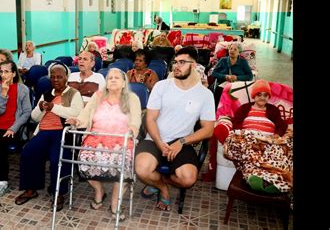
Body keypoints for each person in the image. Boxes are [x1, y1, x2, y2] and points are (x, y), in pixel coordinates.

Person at [134, 46, 215, 211]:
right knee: (141, 170)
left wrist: (182, 142)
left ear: (193, 66)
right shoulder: (162, 86)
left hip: (182, 143)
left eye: (182, 62)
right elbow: (150, 118)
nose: (176, 66)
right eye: (175, 62)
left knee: (188, 179)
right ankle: (163, 188)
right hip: (154, 138)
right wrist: (158, 141)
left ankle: (159, 180)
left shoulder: (205, 94)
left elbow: (208, 130)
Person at [66, 68, 142, 221]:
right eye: (110, 78)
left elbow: (136, 118)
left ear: (123, 83)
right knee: (83, 162)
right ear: (106, 83)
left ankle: (115, 204)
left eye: (117, 78)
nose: (113, 80)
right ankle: (99, 191)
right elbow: (86, 113)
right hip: (96, 138)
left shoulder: (132, 98)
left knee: (124, 165)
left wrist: (134, 127)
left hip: (122, 139)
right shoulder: (98, 96)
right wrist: (78, 121)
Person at [15, 62, 84, 211]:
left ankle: (58, 192)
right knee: (28, 152)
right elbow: (34, 117)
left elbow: (77, 113)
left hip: (62, 132)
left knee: (56, 158)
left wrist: (54, 107)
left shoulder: (73, 93)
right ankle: (31, 189)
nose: (55, 80)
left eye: (59, 77)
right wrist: (40, 108)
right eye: (52, 77)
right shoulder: (46, 93)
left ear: (66, 78)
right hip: (44, 131)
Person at [223, 79, 292, 193]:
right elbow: (236, 124)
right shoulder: (245, 108)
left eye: (265, 95)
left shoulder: (273, 110)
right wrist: (247, 135)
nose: (262, 98)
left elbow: (281, 125)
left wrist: (275, 135)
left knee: (281, 149)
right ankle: (255, 176)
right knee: (249, 149)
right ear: (254, 96)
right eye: (259, 94)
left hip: (267, 140)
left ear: (268, 97)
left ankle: (275, 180)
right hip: (249, 139)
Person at [0, 60, 32, 198]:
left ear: (14, 73)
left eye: (6, 71)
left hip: (14, 128)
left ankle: (3, 181)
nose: (3, 75)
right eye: (1, 72)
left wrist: (14, 128)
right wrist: (3, 94)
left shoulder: (23, 89)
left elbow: (27, 112)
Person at [211, 42, 253, 107]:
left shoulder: (243, 62)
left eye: (235, 49)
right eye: (231, 49)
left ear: (239, 52)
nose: (232, 50)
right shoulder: (223, 60)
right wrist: (225, 77)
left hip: (237, 85)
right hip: (223, 85)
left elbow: (250, 76)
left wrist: (237, 78)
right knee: (221, 92)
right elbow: (214, 73)